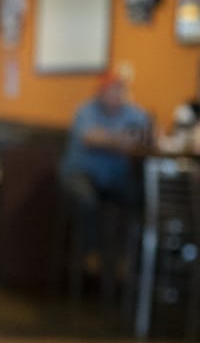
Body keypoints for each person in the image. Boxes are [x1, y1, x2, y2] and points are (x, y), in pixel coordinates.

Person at [58, 73, 151, 258]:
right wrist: (122, 140)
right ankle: (90, 254)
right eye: (111, 89)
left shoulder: (134, 113)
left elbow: (148, 135)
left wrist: (120, 139)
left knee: (142, 196)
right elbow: (90, 137)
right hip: (81, 173)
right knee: (85, 200)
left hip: (115, 178)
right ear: (100, 92)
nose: (116, 94)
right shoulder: (86, 110)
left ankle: (133, 256)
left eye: (120, 89)